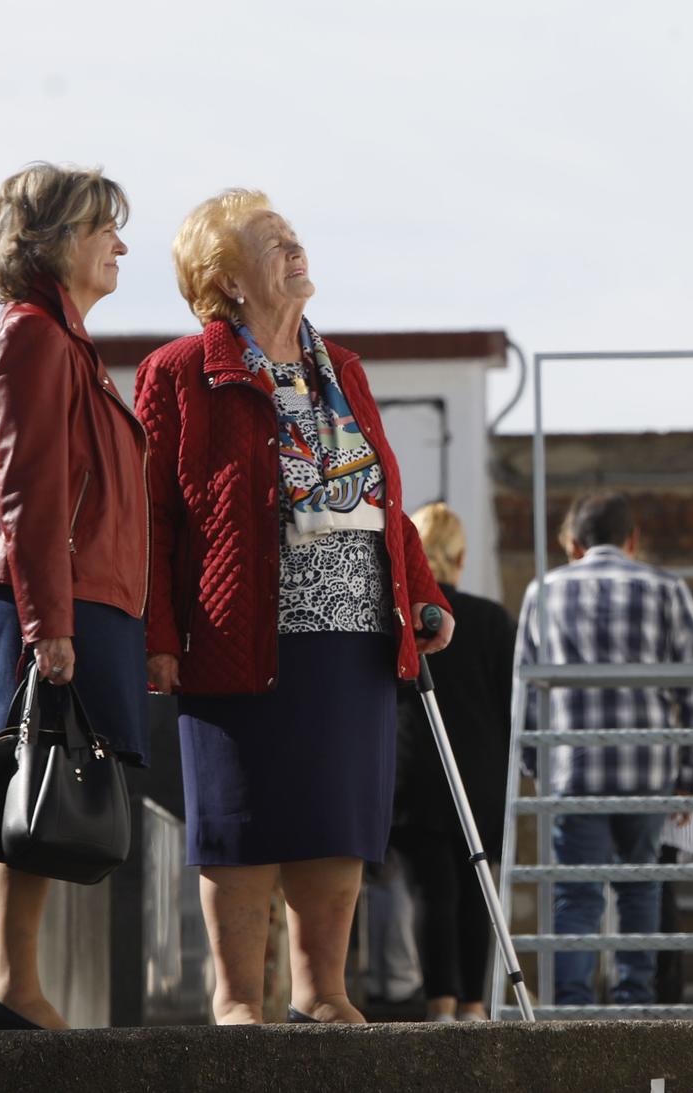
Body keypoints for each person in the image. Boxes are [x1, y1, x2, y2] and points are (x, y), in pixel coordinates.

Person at [134, 188, 454, 1025]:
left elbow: (382, 494)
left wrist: (422, 592)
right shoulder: (178, 373)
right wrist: (158, 634)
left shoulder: (341, 368)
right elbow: (153, 516)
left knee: (336, 815)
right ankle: (239, 998)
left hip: (353, 634)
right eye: (271, 241)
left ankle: (324, 993)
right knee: (239, 816)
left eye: (294, 235)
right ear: (227, 278)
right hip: (241, 630)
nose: (294, 248)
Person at [0, 163, 150, 1032]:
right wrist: (48, 623)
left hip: (68, 593)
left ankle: (7, 981)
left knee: (33, 776)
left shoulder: (60, 340)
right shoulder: (32, 335)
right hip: (48, 593)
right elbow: (29, 491)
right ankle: (14, 984)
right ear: (58, 240)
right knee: (29, 770)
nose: (120, 244)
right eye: (105, 229)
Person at [517, 491, 693, 1008]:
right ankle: (634, 1004)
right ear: (632, 539)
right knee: (640, 888)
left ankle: (571, 1010)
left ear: (575, 543)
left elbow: (526, 693)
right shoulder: (665, 589)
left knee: (576, 895)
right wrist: (690, 775)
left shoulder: (545, 590)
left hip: (574, 768)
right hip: (646, 767)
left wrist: (539, 767)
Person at [391, 502, 516, 1021]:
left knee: (430, 893)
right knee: (477, 890)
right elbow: (514, 705)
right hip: (480, 776)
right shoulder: (489, 619)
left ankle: (439, 1004)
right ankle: (474, 1006)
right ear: (461, 556)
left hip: (415, 771)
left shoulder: (400, 620)